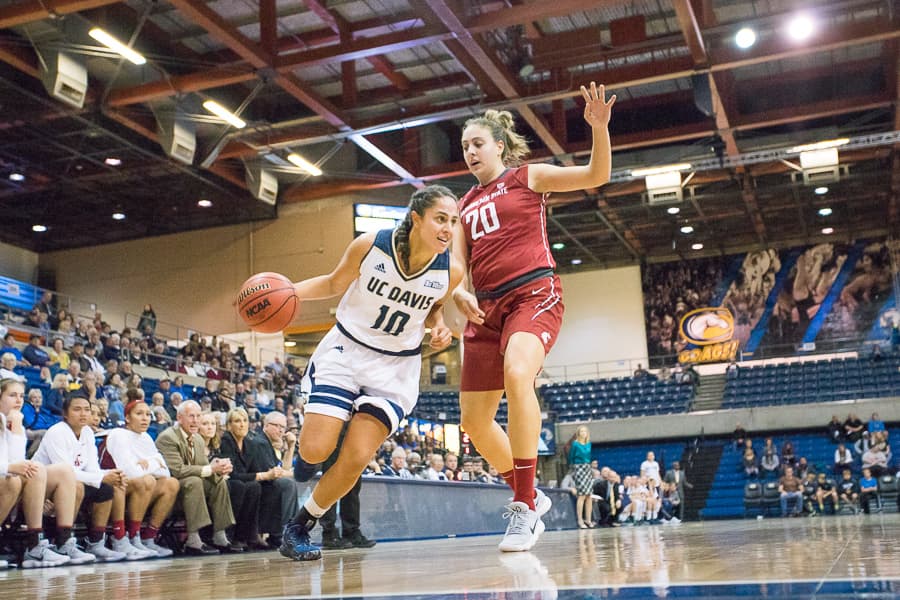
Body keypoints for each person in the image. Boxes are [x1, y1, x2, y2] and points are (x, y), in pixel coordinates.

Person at [451, 82, 615, 552]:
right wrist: (457, 290)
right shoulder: (463, 205)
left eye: (477, 143)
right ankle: (531, 493)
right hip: (485, 309)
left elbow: (597, 174)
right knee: (473, 422)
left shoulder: (528, 177)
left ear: (499, 146)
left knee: (518, 373)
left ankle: (523, 507)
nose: (470, 152)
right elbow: (458, 263)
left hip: (532, 294)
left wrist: (598, 129)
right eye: (464, 146)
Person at [279, 185, 463, 562]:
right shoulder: (372, 245)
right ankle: (310, 450)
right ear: (416, 219)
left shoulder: (451, 271)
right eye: (440, 219)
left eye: (453, 221)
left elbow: (433, 308)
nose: (448, 228)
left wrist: (440, 326)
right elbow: (334, 283)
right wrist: (288, 293)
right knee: (316, 449)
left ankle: (298, 527)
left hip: (395, 367)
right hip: (347, 350)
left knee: (356, 457)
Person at [0, 378, 89, 568]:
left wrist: (16, 428)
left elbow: (17, 459)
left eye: (21, 396)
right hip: (6, 480)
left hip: (9, 480)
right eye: (12, 395)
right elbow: (12, 465)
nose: (19, 400)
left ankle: (50, 544)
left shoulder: (14, 421)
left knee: (59, 470)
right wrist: (8, 468)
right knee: (14, 481)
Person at [32, 391, 128, 561]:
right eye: (77, 409)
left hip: (71, 483)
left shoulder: (87, 433)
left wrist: (111, 475)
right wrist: (100, 478)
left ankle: (96, 543)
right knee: (75, 486)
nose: (83, 414)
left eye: (87, 409)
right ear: (65, 413)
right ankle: (62, 543)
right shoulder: (56, 432)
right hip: (43, 485)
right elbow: (65, 473)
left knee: (107, 488)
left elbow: (92, 469)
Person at [155, 400, 238, 555]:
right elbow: (178, 470)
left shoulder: (197, 438)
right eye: (191, 416)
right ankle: (193, 540)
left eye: (198, 416)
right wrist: (210, 469)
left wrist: (219, 470)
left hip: (191, 486)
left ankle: (219, 536)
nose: (195, 420)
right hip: (171, 489)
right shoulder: (168, 437)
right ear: (179, 418)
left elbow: (204, 467)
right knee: (194, 481)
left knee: (219, 482)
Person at [104, 400, 179, 557]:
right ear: (127, 418)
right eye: (139, 414)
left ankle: (148, 538)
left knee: (172, 483)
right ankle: (127, 536)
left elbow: (165, 472)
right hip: (114, 488)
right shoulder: (118, 434)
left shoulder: (146, 438)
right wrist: (155, 463)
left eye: (148, 414)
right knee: (147, 480)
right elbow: (129, 472)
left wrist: (148, 464)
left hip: (139, 488)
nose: (145, 418)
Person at [568, 426, 594, 528]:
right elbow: (571, 456)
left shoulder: (589, 444)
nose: (583, 433)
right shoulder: (575, 444)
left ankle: (588, 519)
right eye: (581, 431)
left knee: (589, 495)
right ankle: (580, 520)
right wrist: (573, 468)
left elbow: (589, 456)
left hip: (587, 467)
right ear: (578, 433)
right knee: (582, 495)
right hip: (578, 468)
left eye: (585, 431)